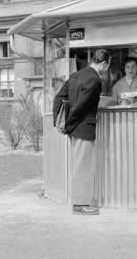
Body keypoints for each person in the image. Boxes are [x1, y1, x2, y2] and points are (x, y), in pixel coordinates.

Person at [53, 49, 111, 215]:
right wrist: (68, 125)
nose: (106, 70)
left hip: (74, 129)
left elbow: (58, 98)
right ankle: (81, 205)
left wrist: (59, 122)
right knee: (83, 167)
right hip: (83, 129)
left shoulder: (75, 76)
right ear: (103, 64)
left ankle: (80, 203)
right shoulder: (95, 80)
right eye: (107, 66)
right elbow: (80, 106)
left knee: (79, 166)